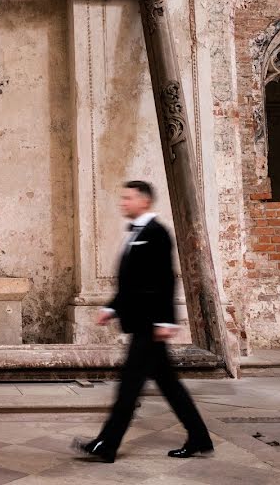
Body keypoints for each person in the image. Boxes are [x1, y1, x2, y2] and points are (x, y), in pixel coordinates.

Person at [73, 180, 213, 463]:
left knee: (129, 386)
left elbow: (164, 279)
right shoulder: (137, 232)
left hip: (150, 324)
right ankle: (199, 436)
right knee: (169, 385)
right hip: (143, 322)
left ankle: (108, 444)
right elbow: (133, 283)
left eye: (129, 198)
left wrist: (166, 321)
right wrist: (111, 308)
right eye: (123, 198)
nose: (123, 202)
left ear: (144, 201)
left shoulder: (157, 233)